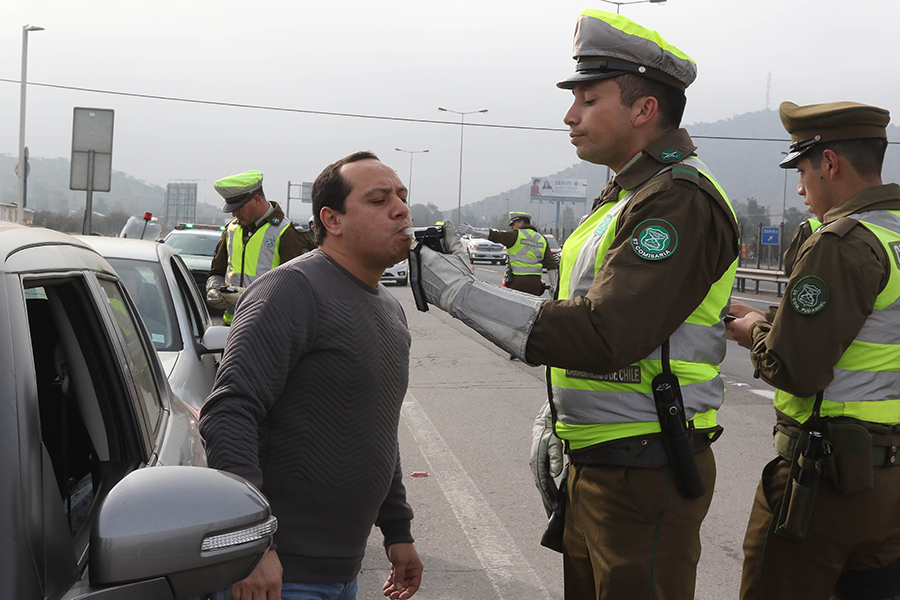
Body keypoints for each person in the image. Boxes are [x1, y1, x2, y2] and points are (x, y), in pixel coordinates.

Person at [410, 9, 739, 600]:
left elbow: (605, 332)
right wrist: (562, 419)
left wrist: (457, 291)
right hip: (605, 456)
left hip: (645, 463)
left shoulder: (676, 200)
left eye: (589, 99)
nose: (569, 115)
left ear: (644, 110)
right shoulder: (629, 194)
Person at [200, 151, 423, 600]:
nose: (400, 209)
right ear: (332, 220)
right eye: (379, 200)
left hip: (341, 572)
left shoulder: (388, 307)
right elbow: (229, 412)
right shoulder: (293, 289)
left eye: (401, 196)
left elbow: (376, 426)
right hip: (282, 573)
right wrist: (252, 543)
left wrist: (398, 530)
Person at [727, 101, 900, 600]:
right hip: (888, 486)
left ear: (830, 164)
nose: (800, 188)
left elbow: (795, 368)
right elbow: (870, 333)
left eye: (802, 171)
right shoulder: (892, 237)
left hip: (825, 482)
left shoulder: (842, 242)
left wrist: (757, 330)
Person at [205, 170, 315, 324]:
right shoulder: (231, 229)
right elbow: (217, 270)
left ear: (257, 200)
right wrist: (213, 289)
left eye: (238, 208)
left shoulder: (287, 233)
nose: (234, 214)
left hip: (268, 328)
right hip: (231, 325)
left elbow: (297, 290)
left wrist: (252, 296)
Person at [459, 212, 558, 297]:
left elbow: (494, 235)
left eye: (513, 224)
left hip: (517, 282)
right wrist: (553, 285)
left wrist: (473, 231)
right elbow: (551, 264)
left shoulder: (515, 235)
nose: (512, 227)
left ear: (521, 223)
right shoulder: (541, 239)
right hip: (535, 284)